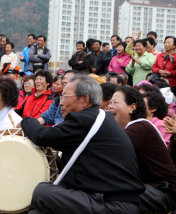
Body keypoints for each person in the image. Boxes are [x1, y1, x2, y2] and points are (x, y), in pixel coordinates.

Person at [24, 75, 145, 214]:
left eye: (64, 97)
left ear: (84, 99)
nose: (61, 103)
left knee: (41, 192)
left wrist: (26, 121)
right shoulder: (97, 117)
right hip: (109, 200)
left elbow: (41, 136)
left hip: (114, 205)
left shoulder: (86, 118)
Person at [110, 86, 176, 213]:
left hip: (165, 191)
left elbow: (108, 150)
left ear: (132, 107)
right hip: (153, 187)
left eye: (115, 102)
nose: (110, 106)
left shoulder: (140, 126)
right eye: (110, 102)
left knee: (113, 197)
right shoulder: (130, 128)